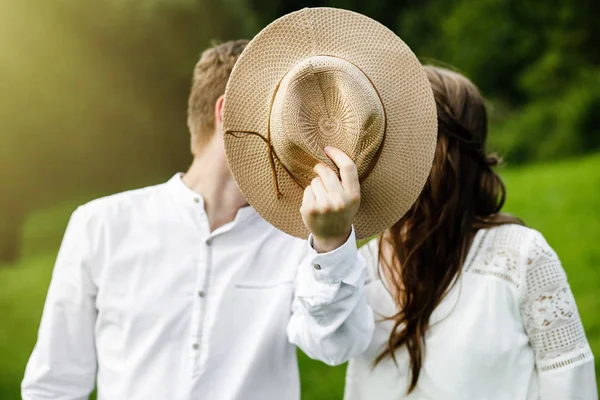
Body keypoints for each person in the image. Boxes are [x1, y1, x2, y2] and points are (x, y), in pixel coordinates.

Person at [21, 39, 375, 400]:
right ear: (228, 112)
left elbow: (336, 348)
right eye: (285, 110)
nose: (302, 130)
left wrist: (331, 247)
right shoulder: (99, 226)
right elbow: (54, 386)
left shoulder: (304, 238)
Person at [344, 66, 598, 399]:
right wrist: (331, 247)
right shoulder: (354, 269)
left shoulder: (520, 256)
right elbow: (324, 343)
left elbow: (568, 379)